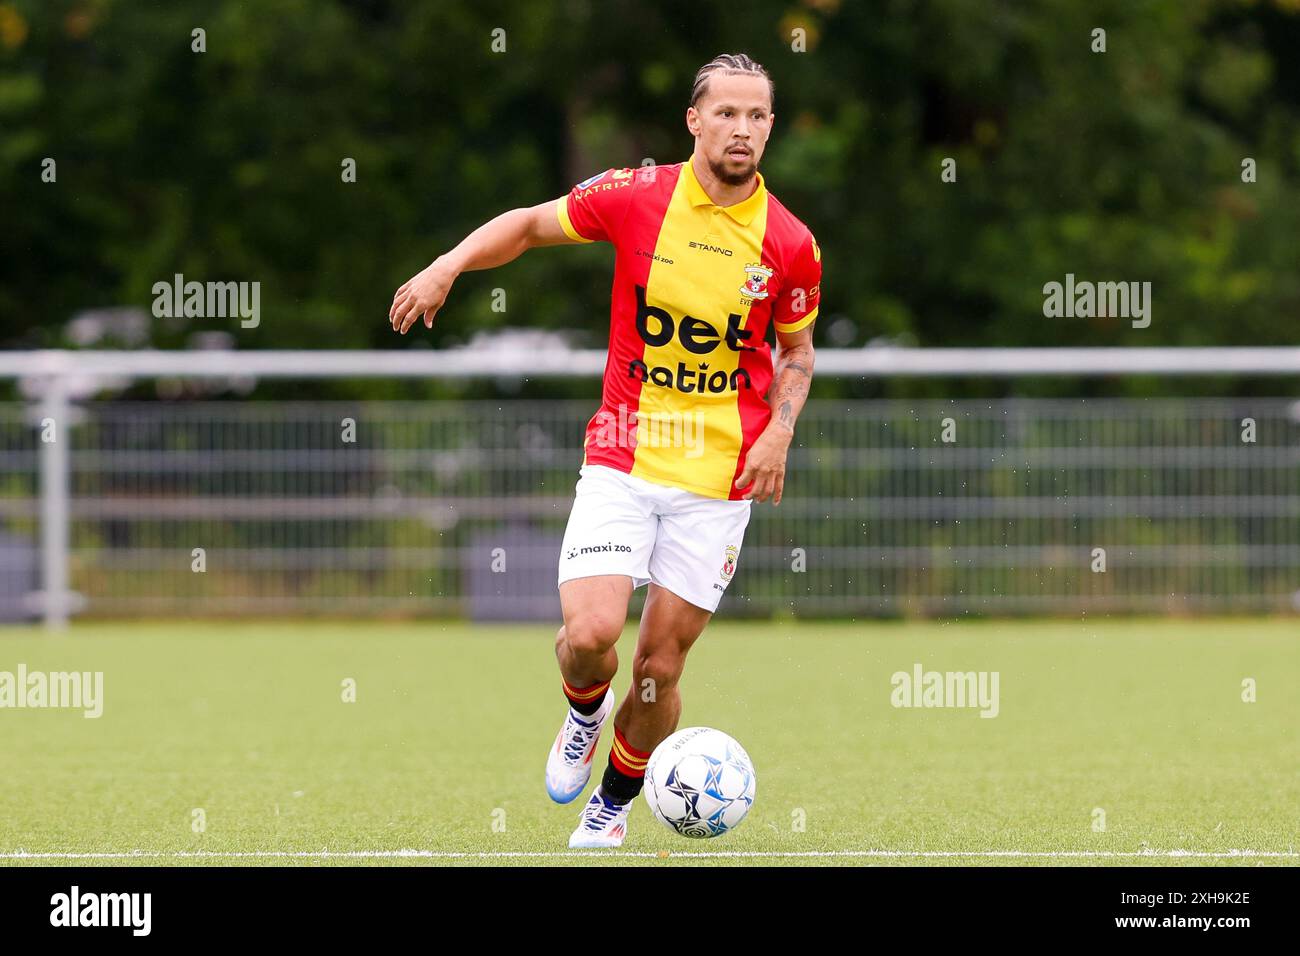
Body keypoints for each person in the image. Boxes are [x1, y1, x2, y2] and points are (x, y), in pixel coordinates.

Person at [389, 52, 821, 848]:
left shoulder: (790, 243)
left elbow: (797, 352)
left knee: (659, 668)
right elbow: (524, 226)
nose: (741, 129)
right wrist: (448, 265)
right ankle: (583, 714)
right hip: (623, 452)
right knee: (590, 637)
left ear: (770, 126)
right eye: (725, 113)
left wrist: (780, 432)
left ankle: (612, 806)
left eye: (756, 115)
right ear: (694, 120)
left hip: (718, 479)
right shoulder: (635, 196)